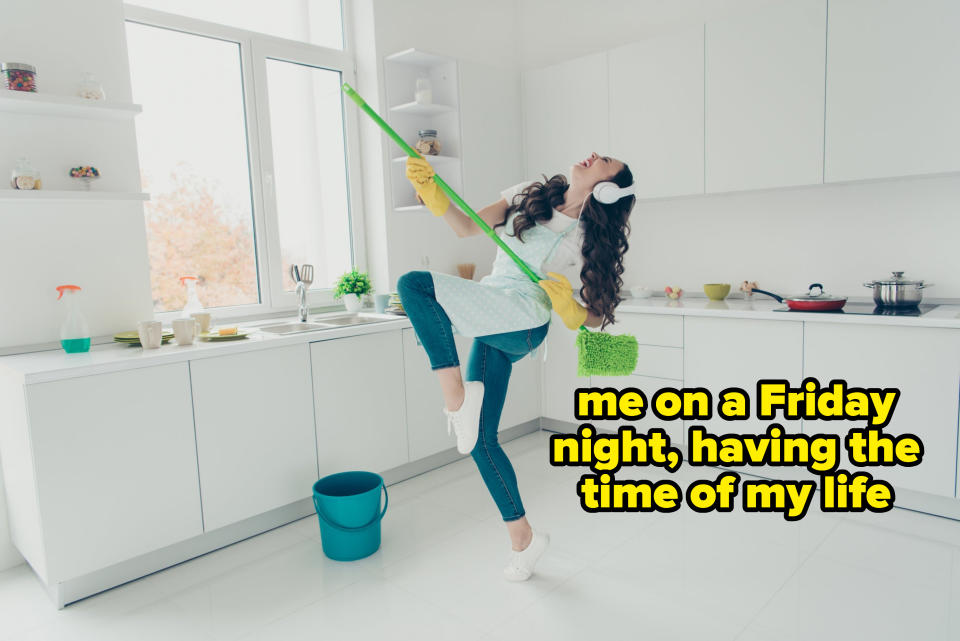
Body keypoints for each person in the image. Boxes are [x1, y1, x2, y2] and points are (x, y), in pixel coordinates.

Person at [396, 151, 636, 581]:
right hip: (494, 307)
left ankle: (456, 399)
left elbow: (598, 313)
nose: (594, 155)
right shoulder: (532, 194)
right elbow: (467, 224)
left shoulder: (588, 240)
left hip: (524, 320)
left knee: (414, 286)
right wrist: (435, 195)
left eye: (607, 161)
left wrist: (570, 309)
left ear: (608, 188)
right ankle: (524, 539)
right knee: (481, 440)